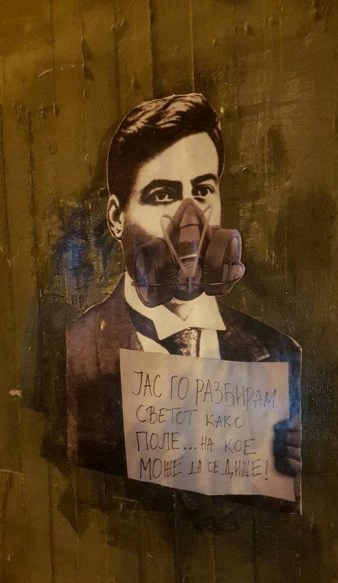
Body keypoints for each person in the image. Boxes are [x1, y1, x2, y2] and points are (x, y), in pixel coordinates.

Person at [66, 93, 301, 480]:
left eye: (203, 191)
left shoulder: (278, 354)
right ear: (116, 217)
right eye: (163, 194)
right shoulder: (77, 352)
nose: (189, 219)